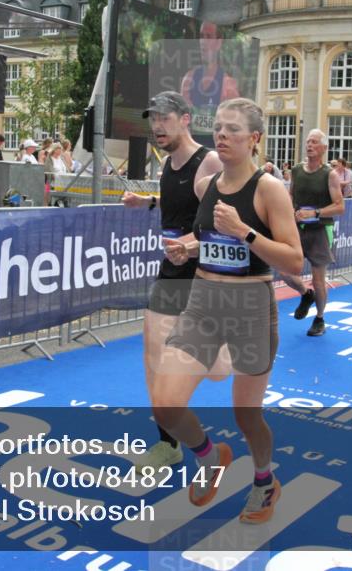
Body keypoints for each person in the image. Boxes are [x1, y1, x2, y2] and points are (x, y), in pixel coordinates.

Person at [153, 97, 302, 525]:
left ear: (254, 139)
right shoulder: (209, 185)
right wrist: (190, 248)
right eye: (218, 127)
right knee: (165, 404)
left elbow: (293, 261)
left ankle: (263, 480)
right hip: (202, 302)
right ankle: (209, 456)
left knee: (246, 415)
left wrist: (245, 231)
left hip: (250, 307)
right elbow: (213, 238)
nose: (222, 135)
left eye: (233, 129)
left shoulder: (270, 189)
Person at [121, 91, 222, 472]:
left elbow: (224, 223)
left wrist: (193, 244)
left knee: (208, 370)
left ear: (185, 118)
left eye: (165, 118)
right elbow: (176, 203)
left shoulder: (207, 161)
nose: (157, 126)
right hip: (171, 272)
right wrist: (145, 202)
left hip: (203, 273)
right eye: (153, 119)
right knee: (153, 359)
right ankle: (169, 444)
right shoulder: (167, 164)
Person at [282, 129, 345, 336]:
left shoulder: (330, 174)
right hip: (297, 228)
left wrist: (315, 212)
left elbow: (340, 207)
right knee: (285, 272)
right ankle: (305, 294)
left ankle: (319, 319)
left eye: (314, 142)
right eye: (308, 141)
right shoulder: (297, 171)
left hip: (320, 230)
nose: (309, 145)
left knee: (319, 279)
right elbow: (290, 196)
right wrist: (291, 211)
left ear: (324, 148)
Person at [180, 20, 240, 115]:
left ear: (219, 42)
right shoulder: (188, 79)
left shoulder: (228, 85)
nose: (203, 42)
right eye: (201, 36)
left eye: (208, 36)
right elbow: (183, 119)